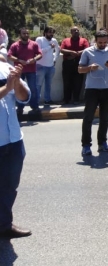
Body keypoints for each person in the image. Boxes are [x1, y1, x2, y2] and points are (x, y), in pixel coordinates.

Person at [0, 63, 32, 239]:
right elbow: (7, 90)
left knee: (9, 187)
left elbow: (24, 97)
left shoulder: (6, 68)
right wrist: (7, 87)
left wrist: (17, 82)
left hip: (13, 141)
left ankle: (4, 225)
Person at [78, 30, 108, 155]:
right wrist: (89, 68)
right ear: (95, 41)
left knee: (105, 118)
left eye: (105, 42)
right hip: (92, 89)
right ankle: (86, 145)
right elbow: (80, 69)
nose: (102, 44)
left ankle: (102, 143)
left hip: (107, 89)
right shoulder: (87, 52)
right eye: (100, 42)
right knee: (88, 118)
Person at [8, 28, 42, 118]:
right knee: (19, 89)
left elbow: (40, 54)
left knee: (33, 89)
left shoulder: (34, 44)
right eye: (24, 33)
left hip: (31, 71)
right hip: (19, 72)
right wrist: (19, 60)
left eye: (27, 33)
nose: (26, 35)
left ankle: (35, 107)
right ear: (20, 34)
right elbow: (9, 56)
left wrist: (34, 59)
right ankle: (20, 108)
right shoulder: (15, 45)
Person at [60, 26, 90, 104]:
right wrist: (71, 52)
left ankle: (76, 99)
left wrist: (78, 53)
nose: (76, 31)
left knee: (78, 82)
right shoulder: (65, 40)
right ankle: (66, 99)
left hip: (79, 63)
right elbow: (62, 49)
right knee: (67, 82)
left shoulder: (84, 40)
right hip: (68, 63)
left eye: (77, 30)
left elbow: (87, 49)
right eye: (74, 30)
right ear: (71, 32)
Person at [35, 26, 60, 105]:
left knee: (48, 85)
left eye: (52, 32)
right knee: (38, 85)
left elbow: (58, 50)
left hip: (50, 66)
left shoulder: (54, 40)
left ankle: (47, 100)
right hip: (40, 66)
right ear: (45, 32)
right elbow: (39, 51)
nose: (51, 34)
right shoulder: (39, 39)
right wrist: (50, 47)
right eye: (49, 32)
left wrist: (55, 59)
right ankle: (36, 102)